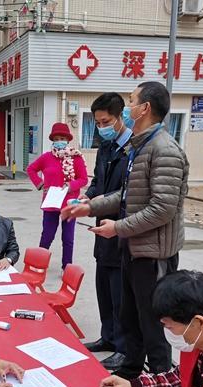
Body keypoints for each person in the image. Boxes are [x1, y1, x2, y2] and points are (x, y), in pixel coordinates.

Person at [63, 81, 189, 379]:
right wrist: (90, 207)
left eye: (132, 100)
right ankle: (132, 375)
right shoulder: (140, 146)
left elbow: (162, 209)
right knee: (130, 317)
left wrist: (118, 228)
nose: (128, 105)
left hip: (154, 253)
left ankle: (159, 381)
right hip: (134, 249)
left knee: (153, 323)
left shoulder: (164, 150)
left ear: (145, 108)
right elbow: (126, 196)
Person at [82, 93, 133, 371]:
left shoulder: (133, 149)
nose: (102, 127)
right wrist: (86, 196)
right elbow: (97, 182)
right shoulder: (105, 147)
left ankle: (124, 349)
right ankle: (108, 337)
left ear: (120, 116)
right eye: (98, 122)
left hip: (122, 230)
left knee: (120, 295)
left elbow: (128, 193)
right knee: (103, 289)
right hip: (102, 228)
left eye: (106, 121)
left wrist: (99, 202)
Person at [27, 122, 88, 268]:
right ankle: (39, 264)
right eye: (56, 139)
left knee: (68, 238)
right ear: (53, 141)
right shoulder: (46, 157)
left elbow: (84, 179)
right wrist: (40, 184)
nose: (59, 141)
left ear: (67, 140)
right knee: (47, 235)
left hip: (69, 203)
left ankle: (66, 266)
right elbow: (31, 169)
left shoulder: (76, 158)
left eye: (62, 138)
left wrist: (70, 185)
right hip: (51, 202)